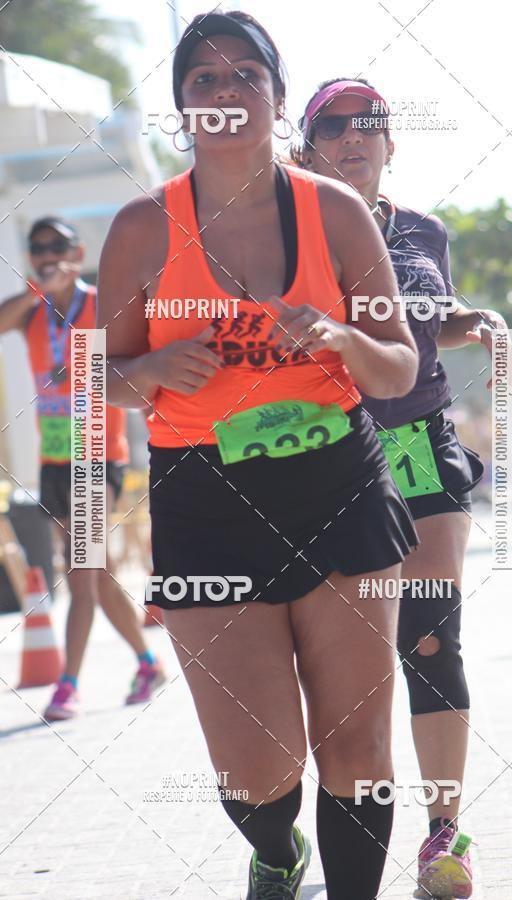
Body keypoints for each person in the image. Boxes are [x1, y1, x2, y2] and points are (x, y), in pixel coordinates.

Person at [99, 11, 420, 900]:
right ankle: (276, 851)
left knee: (358, 747)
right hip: (204, 498)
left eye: (247, 73)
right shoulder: (141, 228)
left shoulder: (335, 212)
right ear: (182, 110)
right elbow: (96, 374)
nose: (227, 90)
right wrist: (151, 369)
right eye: (204, 78)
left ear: (278, 99)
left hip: (338, 481)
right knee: (257, 768)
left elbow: (398, 368)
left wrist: (343, 339)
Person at [293, 77, 509, 900]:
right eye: (333, 126)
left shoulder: (424, 231)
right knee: (346, 660)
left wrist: (472, 323)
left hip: (420, 443)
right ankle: (308, 830)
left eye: (369, 123)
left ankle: (444, 835)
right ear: (308, 147)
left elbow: (422, 323)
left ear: (391, 141)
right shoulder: (291, 232)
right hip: (330, 453)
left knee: (430, 636)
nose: (353, 136)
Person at [0, 216, 166, 720]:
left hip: (97, 452)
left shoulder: (99, 303)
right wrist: (37, 291)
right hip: (55, 459)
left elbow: (137, 354)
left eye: (58, 245)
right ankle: (148, 663)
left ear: (78, 251)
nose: (48, 254)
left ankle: (67, 684)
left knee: (80, 571)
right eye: (38, 248)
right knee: (99, 573)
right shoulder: (32, 311)